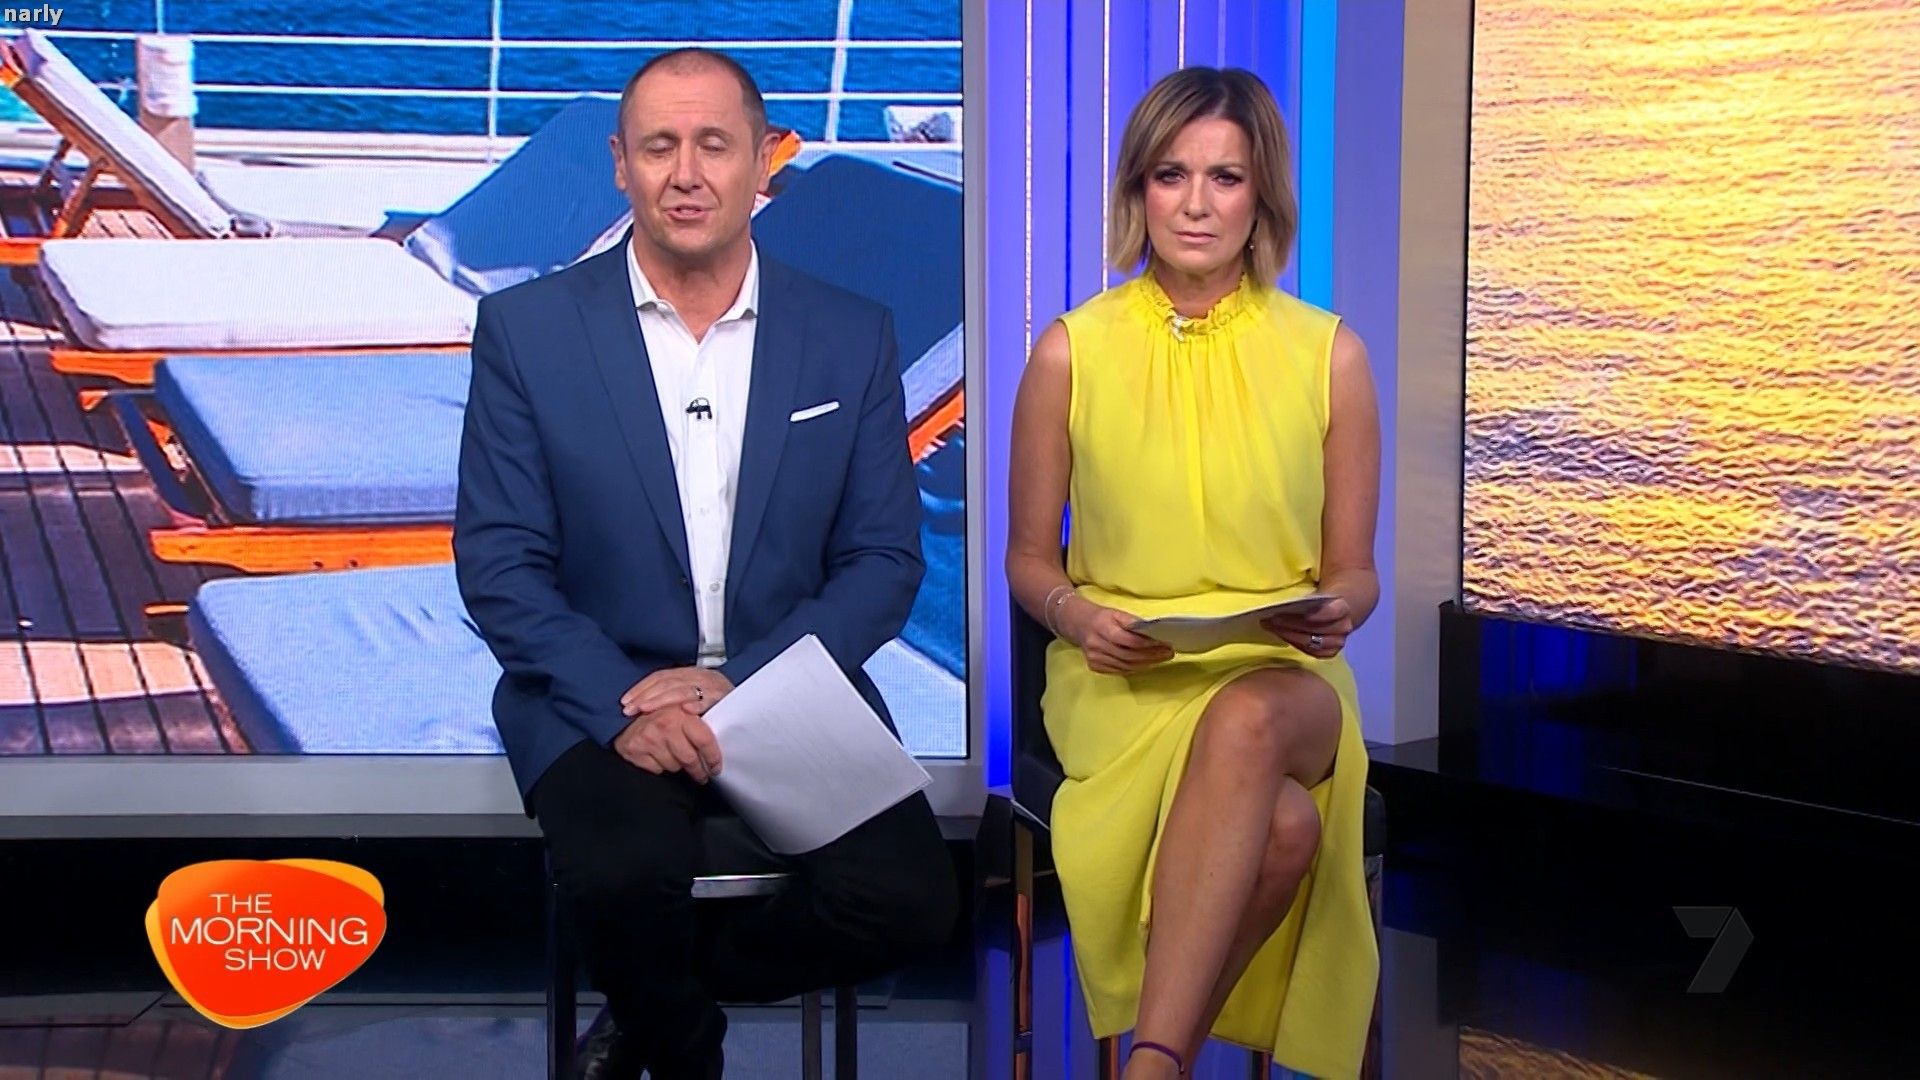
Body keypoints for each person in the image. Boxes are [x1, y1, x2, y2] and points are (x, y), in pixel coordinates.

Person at [454, 48, 958, 1080]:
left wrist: (738, 685)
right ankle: (684, 1053)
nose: (686, 174)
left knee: (908, 903)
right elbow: (501, 560)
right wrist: (622, 705)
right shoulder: (527, 330)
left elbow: (881, 560)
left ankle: (649, 997)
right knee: (623, 875)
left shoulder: (849, 335)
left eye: (714, 145)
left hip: (786, 685)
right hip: (595, 695)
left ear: (763, 161)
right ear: (620, 165)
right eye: (660, 147)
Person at [1004, 66, 1382, 1079]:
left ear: (1262, 198)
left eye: (1226, 177)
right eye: (1172, 176)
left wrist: (1336, 610)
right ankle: (1163, 1064)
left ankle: (1148, 1063)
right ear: (1140, 190)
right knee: (1283, 829)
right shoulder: (1070, 353)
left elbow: (1356, 573)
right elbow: (1029, 559)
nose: (1198, 204)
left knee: (1249, 720)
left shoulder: (1331, 356)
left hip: (1285, 679)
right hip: (1125, 678)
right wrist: (1075, 617)